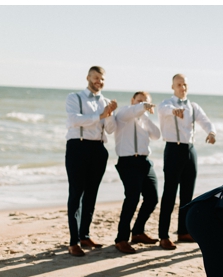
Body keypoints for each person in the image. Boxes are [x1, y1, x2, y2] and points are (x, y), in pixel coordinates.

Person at [156, 75, 217, 249]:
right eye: (179, 85)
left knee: (187, 195)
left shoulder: (193, 106)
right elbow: (163, 110)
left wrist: (211, 132)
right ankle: (163, 236)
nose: (182, 87)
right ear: (173, 86)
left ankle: (183, 231)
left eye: (184, 85)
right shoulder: (166, 104)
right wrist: (174, 111)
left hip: (190, 150)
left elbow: (205, 121)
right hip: (173, 150)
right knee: (169, 194)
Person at [64, 66, 118, 257]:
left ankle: (85, 234)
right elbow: (73, 120)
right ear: (88, 77)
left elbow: (110, 129)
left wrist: (110, 114)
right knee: (76, 193)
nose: (99, 81)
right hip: (77, 147)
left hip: (98, 149)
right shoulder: (74, 98)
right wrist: (100, 115)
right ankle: (74, 242)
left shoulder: (105, 102)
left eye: (102, 79)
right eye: (96, 78)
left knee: (92, 194)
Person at [112, 91, 161, 254]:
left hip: (145, 162)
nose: (142, 104)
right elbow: (132, 111)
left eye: (146, 102)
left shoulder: (143, 118)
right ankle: (121, 239)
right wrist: (142, 107)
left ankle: (138, 232)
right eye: (139, 101)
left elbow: (156, 135)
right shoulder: (123, 114)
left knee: (152, 198)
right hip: (128, 162)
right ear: (133, 100)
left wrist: (145, 115)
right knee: (132, 198)